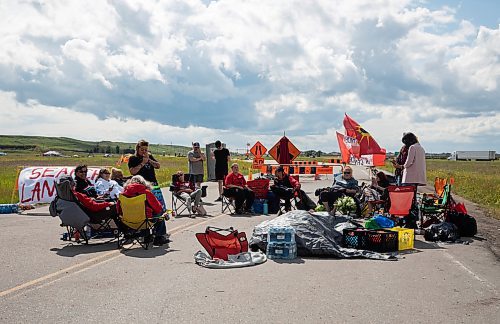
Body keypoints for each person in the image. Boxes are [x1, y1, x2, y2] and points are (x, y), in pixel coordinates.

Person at [118, 175, 169, 246]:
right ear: (143, 182)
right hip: (144, 221)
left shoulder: (123, 194)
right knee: (160, 213)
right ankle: (159, 237)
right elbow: (158, 208)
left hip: (128, 222)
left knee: (142, 213)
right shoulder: (146, 193)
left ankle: (146, 236)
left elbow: (119, 209)